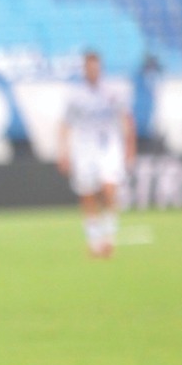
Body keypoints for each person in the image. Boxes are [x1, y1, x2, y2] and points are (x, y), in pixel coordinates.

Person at [57, 50, 135, 258]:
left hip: (108, 146)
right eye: (89, 67)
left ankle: (108, 239)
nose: (93, 71)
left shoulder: (113, 92)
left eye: (96, 67)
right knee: (88, 194)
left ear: (100, 68)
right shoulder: (75, 96)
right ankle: (94, 242)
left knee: (109, 189)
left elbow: (126, 119)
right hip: (84, 148)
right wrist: (63, 152)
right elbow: (65, 124)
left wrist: (129, 148)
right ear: (84, 69)